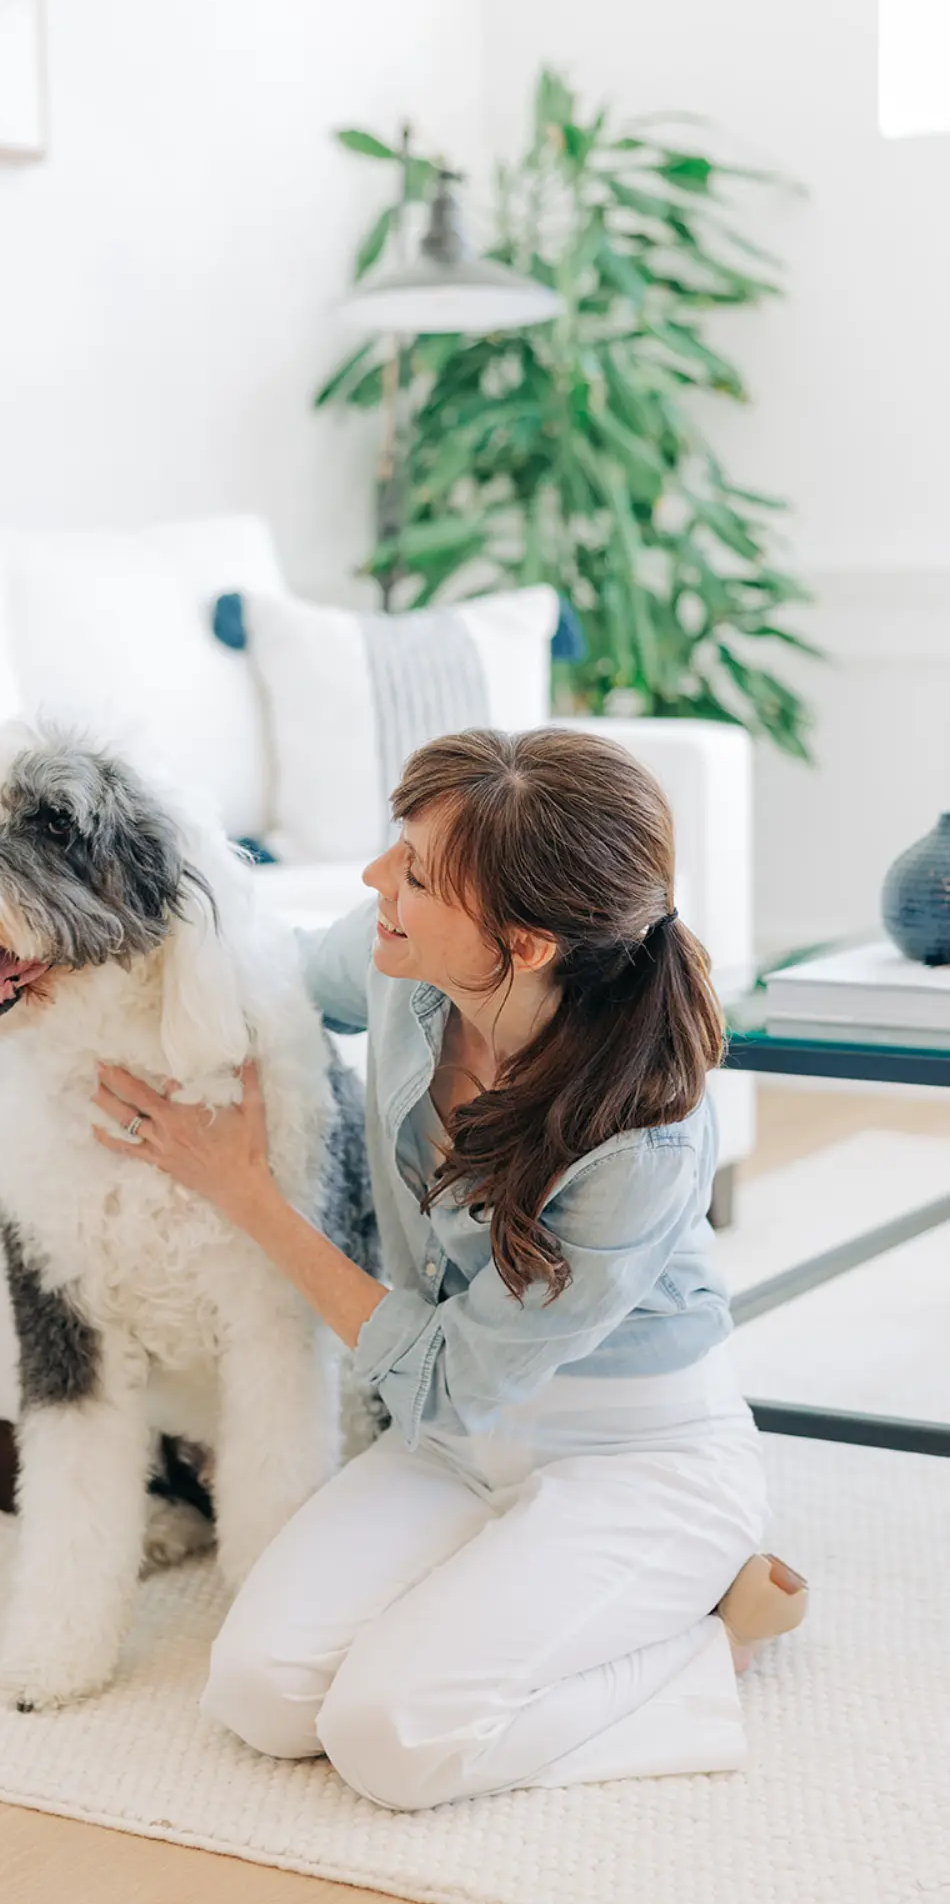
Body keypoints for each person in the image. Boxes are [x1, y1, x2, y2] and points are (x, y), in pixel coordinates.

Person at [91, 726, 807, 1811]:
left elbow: (449, 1373)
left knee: (390, 1738)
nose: (378, 878)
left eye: (414, 874)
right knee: (259, 1691)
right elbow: (268, 971)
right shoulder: (407, 969)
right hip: (454, 1444)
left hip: (631, 1451)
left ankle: (720, 1636)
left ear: (521, 944)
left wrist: (241, 1192)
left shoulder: (642, 1139)